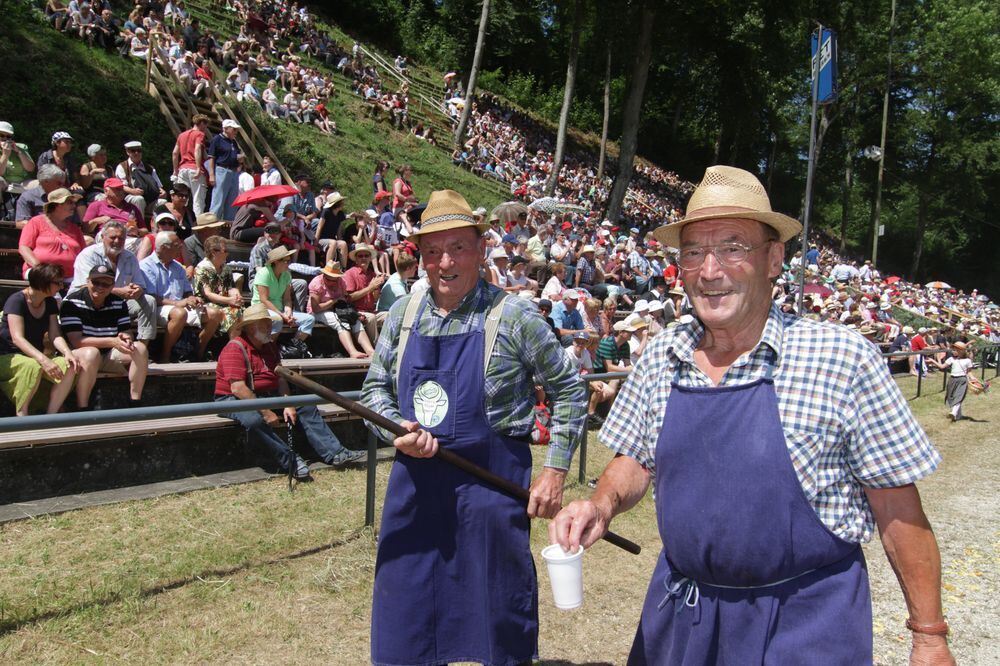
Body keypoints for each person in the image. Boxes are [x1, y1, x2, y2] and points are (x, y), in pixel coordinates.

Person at [550, 166, 953, 665]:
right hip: (684, 617)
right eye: (694, 252)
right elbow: (635, 457)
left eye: (733, 247)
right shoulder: (662, 355)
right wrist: (600, 504)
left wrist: (929, 636)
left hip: (804, 624)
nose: (710, 269)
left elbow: (897, 509)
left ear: (774, 259)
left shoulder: (842, 360)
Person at [360, 189, 586, 666]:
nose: (445, 262)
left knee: (498, 619)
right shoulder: (403, 315)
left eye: (458, 247)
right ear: (419, 257)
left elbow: (569, 390)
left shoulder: (514, 316)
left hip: (490, 491)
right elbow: (374, 391)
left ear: (481, 248)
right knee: (407, 618)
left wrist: (555, 470)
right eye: (433, 251)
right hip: (416, 491)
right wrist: (395, 428)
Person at [214, 303, 364, 480]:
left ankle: (336, 453)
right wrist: (266, 411)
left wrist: (288, 403)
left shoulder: (269, 346)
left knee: (305, 406)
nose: (270, 328)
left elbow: (281, 377)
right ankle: (290, 461)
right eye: (265, 324)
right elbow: (238, 388)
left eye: (269, 323)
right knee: (253, 420)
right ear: (251, 327)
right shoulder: (235, 347)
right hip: (233, 399)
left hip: (265, 396)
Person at [61, 264, 149, 408]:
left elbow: (126, 330)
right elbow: (77, 341)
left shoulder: (119, 302)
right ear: (88, 281)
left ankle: (135, 402)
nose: (100, 287)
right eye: (96, 282)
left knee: (140, 348)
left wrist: (126, 338)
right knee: (91, 353)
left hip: (109, 354)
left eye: (106, 283)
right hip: (81, 355)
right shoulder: (71, 303)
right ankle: (82, 407)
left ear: (112, 285)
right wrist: (112, 341)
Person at [0, 264, 81, 415]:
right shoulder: (17, 300)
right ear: (43, 282)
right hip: (8, 356)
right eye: (58, 283)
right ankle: (22, 416)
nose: (61, 286)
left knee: (70, 365)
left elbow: (55, 335)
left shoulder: (50, 302)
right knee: (32, 366)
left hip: (36, 356)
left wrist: (67, 352)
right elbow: (17, 338)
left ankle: (51, 415)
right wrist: (44, 360)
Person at [71, 220, 157, 347]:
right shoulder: (88, 254)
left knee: (149, 301)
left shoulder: (130, 257)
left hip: (119, 302)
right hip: (89, 301)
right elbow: (84, 286)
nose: (117, 241)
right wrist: (119, 291)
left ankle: (142, 348)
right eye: (113, 237)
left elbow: (141, 284)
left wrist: (137, 289)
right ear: (102, 237)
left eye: (121, 238)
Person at [140, 231, 223, 362]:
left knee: (216, 314)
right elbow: (150, 296)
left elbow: (186, 291)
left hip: (180, 306)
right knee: (179, 314)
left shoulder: (178, 267)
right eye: (176, 245)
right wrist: (177, 304)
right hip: (157, 308)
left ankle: (198, 352)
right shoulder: (146, 266)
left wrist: (191, 298)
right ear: (163, 247)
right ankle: (165, 356)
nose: (180, 247)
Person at [252, 246, 313, 357]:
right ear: (276, 262)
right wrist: (282, 315)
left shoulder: (286, 275)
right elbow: (263, 300)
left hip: (279, 310)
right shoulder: (263, 273)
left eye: (289, 261)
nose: (288, 264)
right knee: (278, 319)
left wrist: (288, 312)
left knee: (309, 319)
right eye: (286, 261)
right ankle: (267, 350)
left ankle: (291, 348)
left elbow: (287, 299)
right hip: (261, 309)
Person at [307, 261, 372, 359]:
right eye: (329, 279)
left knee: (354, 320)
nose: (332, 283)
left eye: (334, 280)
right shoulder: (316, 283)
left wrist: (355, 314)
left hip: (337, 310)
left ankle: (370, 350)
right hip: (317, 312)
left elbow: (346, 299)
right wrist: (333, 301)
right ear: (324, 275)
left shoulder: (341, 282)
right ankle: (353, 352)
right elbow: (316, 308)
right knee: (339, 321)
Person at [18, 188, 86, 280]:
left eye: (74, 202)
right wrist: (39, 267)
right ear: (58, 205)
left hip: (70, 276)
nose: (74, 205)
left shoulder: (75, 229)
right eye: (70, 202)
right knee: (50, 283)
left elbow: (84, 253)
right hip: (39, 273)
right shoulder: (36, 222)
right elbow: (24, 248)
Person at [192, 235, 243, 336]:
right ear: (214, 252)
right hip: (205, 304)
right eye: (225, 250)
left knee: (241, 312)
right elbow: (208, 294)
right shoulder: (202, 268)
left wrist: (237, 295)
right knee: (234, 314)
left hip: (224, 303)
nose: (228, 253)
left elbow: (230, 288)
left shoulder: (226, 268)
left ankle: (234, 347)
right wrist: (229, 300)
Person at [341, 243, 385, 343]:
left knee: (389, 315)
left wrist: (376, 289)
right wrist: (370, 287)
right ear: (356, 259)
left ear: (370, 258)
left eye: (366, 256)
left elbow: (375, 299)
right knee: (372, 318)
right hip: (356, 311)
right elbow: (349, 298)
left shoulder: (372, 274)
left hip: (371, 311)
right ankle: (378, 348)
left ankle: (392, 345)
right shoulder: (350, 273)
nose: (363, 258)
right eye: (360, 256)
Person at [928, 341, 982, 422]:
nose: (953, 351)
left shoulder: (967, 360)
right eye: (953, 350)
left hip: (962, 380)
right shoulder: (951, 359)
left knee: (959, 396)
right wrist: (933, 361)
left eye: (955, 350)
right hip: (952, 380)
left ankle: (953, 412)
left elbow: (969, 372)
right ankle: (959, 415)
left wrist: (973, 379)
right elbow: (942, 367)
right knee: (952, 396)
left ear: (961, 351)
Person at [172, 114, 210, 215]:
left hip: (182, 169)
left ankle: (180, 222)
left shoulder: (181, 135)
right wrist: (198, 168)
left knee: (182, 199)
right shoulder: (199, 134)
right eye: (205, 124)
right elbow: (197, 149)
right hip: (194, 168)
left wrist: (175, 170)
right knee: (198, 200)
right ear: (201, 123)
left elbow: (175, 153)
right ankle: (197, 228)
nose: (206, 127)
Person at [115, 141, 166, 215]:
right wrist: (133, 191)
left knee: (162, 202)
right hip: (130, 196)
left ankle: (159, 225)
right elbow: (121, 186)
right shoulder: (122, 166)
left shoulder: (149, 168)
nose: (137, 153)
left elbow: (158, 185)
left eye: (139, 150)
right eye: (133, 151)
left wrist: (162, 192)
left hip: (150, 198)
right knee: (139, 199)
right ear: (127, 152)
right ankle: (140, 225)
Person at [208, 119, 243, 221]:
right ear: (226, 129)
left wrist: (239, 160)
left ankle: (229, 225)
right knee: (218, 199)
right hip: (222, 170)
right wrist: (211, 174)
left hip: (234, 171)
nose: (236, 132)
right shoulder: (217, 139)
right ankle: (212, 222)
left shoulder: (233, 142)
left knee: (232, 201)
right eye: (234, 129)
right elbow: (211, 157)